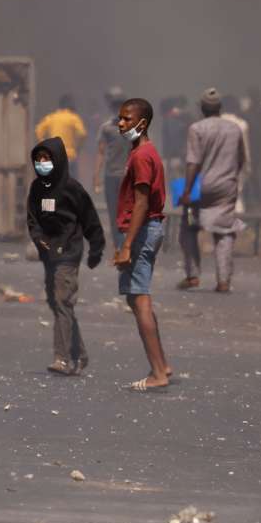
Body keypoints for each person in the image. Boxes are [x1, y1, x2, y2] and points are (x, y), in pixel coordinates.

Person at [28, 137, 105, 376]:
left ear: (58, 160)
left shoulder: (73, 189)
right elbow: (32, 220)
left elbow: (90, 220)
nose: (42, 163)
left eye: (47, 159)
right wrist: (39, 238)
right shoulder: (37, 188)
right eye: (39, 159)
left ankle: (62, 358)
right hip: (48, 253)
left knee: (62, 302)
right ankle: (80, 354)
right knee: (59, 304)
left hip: (69, 252)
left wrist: (96, 249)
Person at [114, 98, 172, 391]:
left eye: (126, 119)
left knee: (140, 300)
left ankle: (158, 373)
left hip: (143, 229)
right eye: (119, 119)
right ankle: (163, 364)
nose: (120, 124)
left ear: (142, 123)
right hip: (147, 229)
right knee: (137, 299)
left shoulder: (141, 156)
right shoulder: (141, 152)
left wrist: (127, 245)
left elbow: (141, 203)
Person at [177, 89, 246, 293]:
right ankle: (223, 280)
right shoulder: (234, 129)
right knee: (224, 231)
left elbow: (193, 162)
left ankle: (192, 275)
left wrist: (187, 191)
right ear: (219, 108)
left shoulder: (196, 128)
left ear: (202, 108)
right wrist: (233, 179)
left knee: (189, 225)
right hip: (226, 187)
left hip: (201, 187)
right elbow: (241, 159)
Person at [93, 87, 129, 230]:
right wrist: (96, 175)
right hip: (111, 176)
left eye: (119, 104)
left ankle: (126, 245)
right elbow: (101, 152)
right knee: (113, 214)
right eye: (114, 104)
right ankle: (118, 247)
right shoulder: (106, 128)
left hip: (129, 176)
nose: (116, 107)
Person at [35, 94, 88, 169]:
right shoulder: (74, 118)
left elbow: (38, 131)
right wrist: (77, 148)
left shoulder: (51, 117)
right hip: (69, 156)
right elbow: (82, 134)